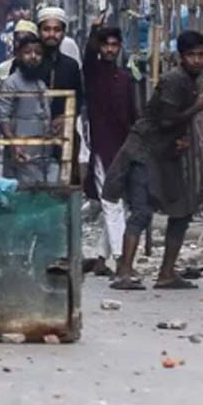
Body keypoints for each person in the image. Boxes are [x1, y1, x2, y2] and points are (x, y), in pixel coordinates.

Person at [104, 31, 203, 292]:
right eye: (192, 55)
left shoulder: (190, 81)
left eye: (201, 55)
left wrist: (182, 138)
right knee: (141, 211)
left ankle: (166, 273)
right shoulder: (173, 80)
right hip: (143, 152)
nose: (197, 61)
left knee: (182, 210)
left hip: (164, 155)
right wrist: (197, 108)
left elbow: (173, 122)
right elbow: (165, 120)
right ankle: (125, 272)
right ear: (181, 57)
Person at [83, 18, 137, 277]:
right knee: (111, 202)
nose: (110, 50)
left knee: (119, 204)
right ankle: (120, 259)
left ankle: (102, 258)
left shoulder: (125, 79)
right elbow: (88, 55)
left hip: (123, 146)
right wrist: (94, 29)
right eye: (106, 45)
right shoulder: (93, 73)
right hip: (102, 147)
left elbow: (131, 114)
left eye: (115, 45)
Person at [0, 34, 55, 186]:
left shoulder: (41, 84)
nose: (33, 57)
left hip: (43, 152)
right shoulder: (11, 83)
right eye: (28, 52)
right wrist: (14, 144)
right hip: (21, 152)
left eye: (38, 53)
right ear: (19, 55)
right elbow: (2, 117)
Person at [36, 6, 85, 186]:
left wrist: (66, 117)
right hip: (31, 132)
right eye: (47, 29)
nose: (51, 34)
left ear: (63, 33)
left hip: (62, 132)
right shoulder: (26, 63)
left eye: (57, 30)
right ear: (39, 31)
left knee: (64, 181)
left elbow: (79, 97)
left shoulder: (70, 65)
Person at [0, 19, 38, 178]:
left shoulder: (39, 69)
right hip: (5, 123)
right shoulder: (3, 68)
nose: (20, 43)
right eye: (18, 39)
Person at [0, 0, 32, 69]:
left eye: (25, 9)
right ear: (10, 13)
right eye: (17, 9)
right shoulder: (2, 37)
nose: (22, 12)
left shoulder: (38, 34)